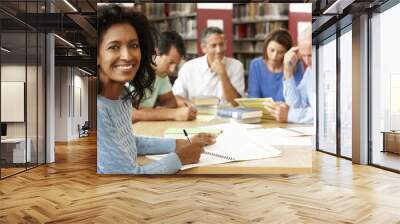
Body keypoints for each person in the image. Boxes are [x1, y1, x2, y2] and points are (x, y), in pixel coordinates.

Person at [97, 4, 215, 174]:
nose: (127, 56)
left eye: (133, 45)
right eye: (114, 47)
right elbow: (126, 178)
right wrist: (180, 158)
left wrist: (178, 143)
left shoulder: (121, 94)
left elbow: (132, 143)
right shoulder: (98, 110)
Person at [131, 31, 197, 122]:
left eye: (176, 65)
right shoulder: (133, 69)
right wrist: (172, 114)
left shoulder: (161, 74)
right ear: (156, 53)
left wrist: (155, 113)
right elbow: (129, 114)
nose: (172, 70)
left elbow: (171, 102)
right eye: (170, 63)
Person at [172, 27, 245, 106]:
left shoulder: (236, 66)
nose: (219, 50)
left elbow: (236, 103)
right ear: (203, 48)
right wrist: (195, 105)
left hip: (225, 117)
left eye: (221, 44)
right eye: (214, 46)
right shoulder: (188, 67)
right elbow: (175, 97)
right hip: (196, 115)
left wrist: (223, 74)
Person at [264, 26, 314, 123]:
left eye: (310, 55)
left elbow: (327, 113)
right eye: (303, 55)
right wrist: (287, 71)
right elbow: (296, 105)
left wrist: (290, 115)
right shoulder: (310, 71)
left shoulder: (332, 69)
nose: (307, 61)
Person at [247, 29, 304, 101]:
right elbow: (253, 96)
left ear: (287, 53)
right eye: (272, 50)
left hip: (286, 111)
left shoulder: (296, 65)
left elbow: (297, 99)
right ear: (266, 47)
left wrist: (288, 69)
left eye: (280, 52)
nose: (274, 56)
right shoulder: (256, 65)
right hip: (260, 111)